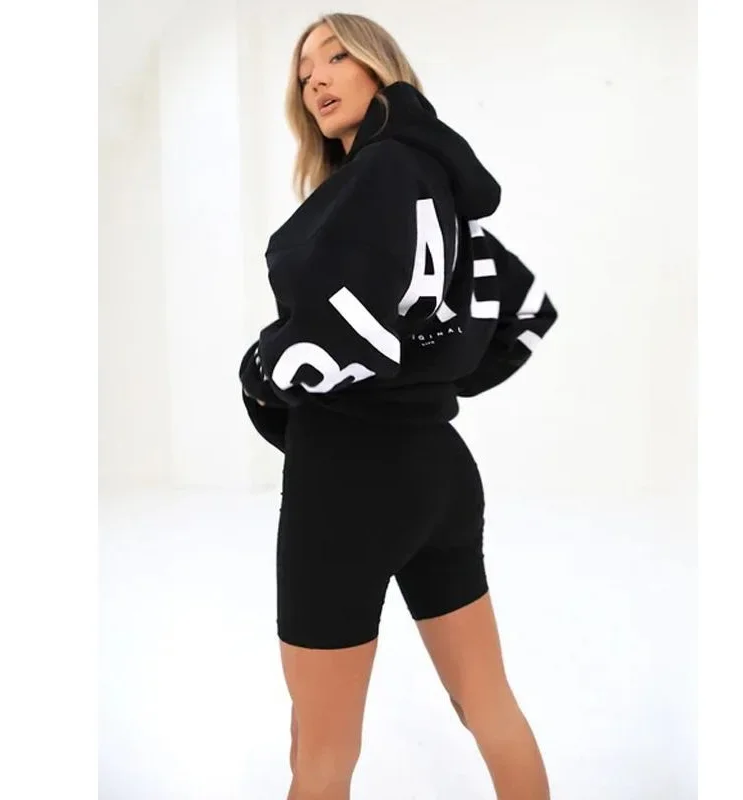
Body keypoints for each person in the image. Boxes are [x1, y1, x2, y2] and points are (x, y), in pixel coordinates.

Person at [239, 12, 558, 800]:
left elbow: (336, 336)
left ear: (380, 65)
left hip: (346, 481)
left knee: (320, 751)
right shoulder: (439, 185)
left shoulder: (377, 177)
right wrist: (434, 379)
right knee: (487, 705)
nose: (315, 78)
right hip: (438, 472)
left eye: (335, 56)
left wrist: (261, 368)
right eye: (303, 71)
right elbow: (527, 311)